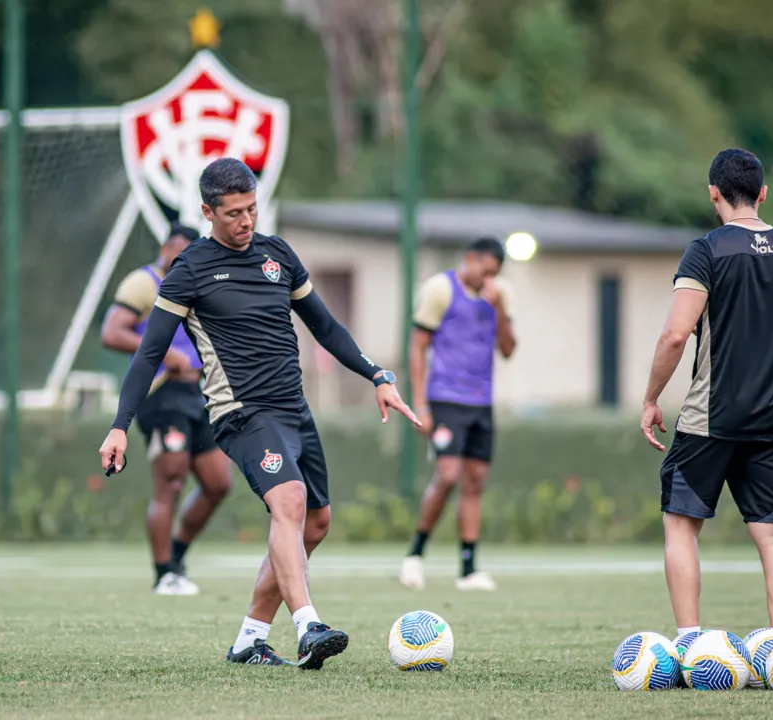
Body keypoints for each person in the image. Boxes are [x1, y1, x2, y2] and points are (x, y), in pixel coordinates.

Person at [99, 157, 420, 669]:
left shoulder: (278, 255)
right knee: (288, 502)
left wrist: (377, 376)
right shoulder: (189, 271)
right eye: (234, 214)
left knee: (316, 522)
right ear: (208, 211)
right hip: (241, 413)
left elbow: (326, 327)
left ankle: (250, 639)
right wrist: (120, 425)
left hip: (293, 409)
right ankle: (308, 625)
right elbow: (149, 352)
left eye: (252, 209)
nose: (247, 222)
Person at [640, 148, 773, 637]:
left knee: (680, 524)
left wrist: (651, 398)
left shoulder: (707, 249)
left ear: (713, 192)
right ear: (762, 194)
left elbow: (675, 335)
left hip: (712, 415)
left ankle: (692, 642)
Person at [100, 223, 232, 596]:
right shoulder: (144, 283)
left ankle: (176, 554)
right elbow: (112, 332)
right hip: (161, 395)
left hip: (199, 395)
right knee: (170, 482)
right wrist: (166, 353)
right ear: (164, 248)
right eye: (170, 251)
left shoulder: (200, 284)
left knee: (218, 484)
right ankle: (163, 573)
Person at [399, 237, 517, 592]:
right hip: (445, 398)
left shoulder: (499, 294)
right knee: (448, 474)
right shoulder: (440, 289)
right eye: (484, 270)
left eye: (494, 274)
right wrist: (420, 404)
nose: (487, 279)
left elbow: (508, 350)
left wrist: (497, 308)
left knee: (476, 480)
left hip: (482, 401)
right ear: (470, 259)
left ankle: (468, 569)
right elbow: (417, 349)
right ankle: (415, 554)